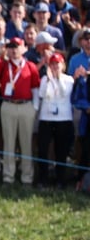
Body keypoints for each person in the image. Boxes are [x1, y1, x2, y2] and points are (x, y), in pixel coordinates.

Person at [0, 37, 40, 185]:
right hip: (8, 105)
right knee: (8, 142)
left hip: (26, 106)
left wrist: (34, 109)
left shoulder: (30, 66)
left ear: (24, 49)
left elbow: (35, 88)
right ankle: (8, 176)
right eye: (10, 47)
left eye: (17, 47)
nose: (14, 50)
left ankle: (27, 177)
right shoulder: (4, 65)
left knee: (26, 143)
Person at [34, 53, 74, 188]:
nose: (55, 67)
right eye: (52, 64)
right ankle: (43, 179)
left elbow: (64, 92)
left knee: (61, 151)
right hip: (46, 119)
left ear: (63, 65)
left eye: (58, 64)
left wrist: (58, 78)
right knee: (43, 150)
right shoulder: (45, 79)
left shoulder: (68, 79)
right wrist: (50, 79)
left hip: (63, 119)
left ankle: (60, 180)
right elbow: (42, 94)